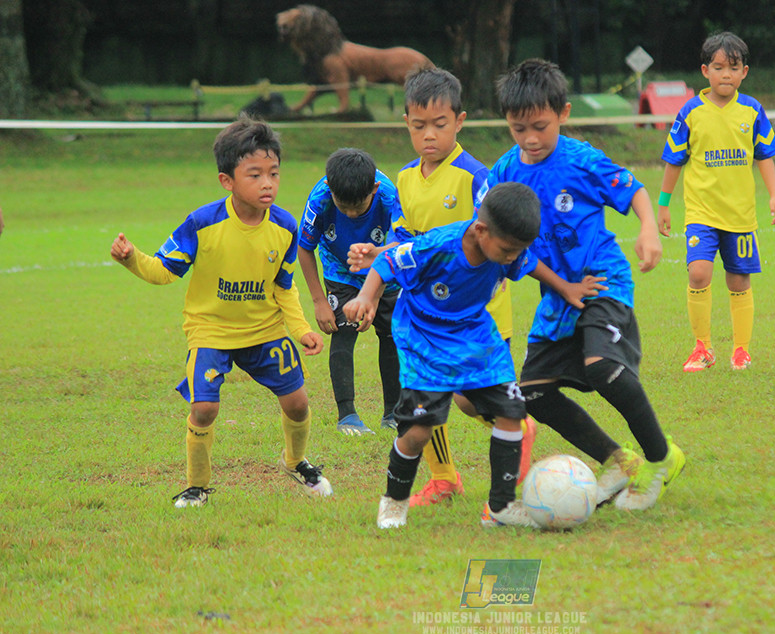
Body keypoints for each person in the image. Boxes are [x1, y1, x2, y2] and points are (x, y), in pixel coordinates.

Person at [342, 182, 603, 528]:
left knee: (511, 413)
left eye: (517, 251)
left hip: (475, 334)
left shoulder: (509, 247)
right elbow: (388, 260)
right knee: (419, 431)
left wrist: (566, 287)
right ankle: (394, 501)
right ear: (481, 231)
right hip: (425, 337)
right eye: (507, 250)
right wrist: (365, 297)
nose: (512, 258)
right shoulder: (438, 246)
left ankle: (499, 508)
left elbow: (531, 264)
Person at [490, 58, 685, 511]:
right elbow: (494, 235)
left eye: (540, 126)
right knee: (532, 391)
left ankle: (661, 458)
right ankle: (619, 462)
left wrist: (648, 229)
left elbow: (634, 190)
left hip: (601, 281)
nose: (530, 138)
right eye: (518, 129)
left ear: (564, 113)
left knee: (601, 366)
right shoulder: (503, 173)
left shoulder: (582, 160)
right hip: (558, 294)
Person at [109, 116, 332, 508]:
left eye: (274, 173)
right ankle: (196, 487)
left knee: (298, 402)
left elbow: (283, 286)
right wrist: (132, 259)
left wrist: (301, 330)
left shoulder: (285, 226)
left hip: (264, 330)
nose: (267, 183)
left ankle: (295, 461)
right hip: (210, 330)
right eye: (255, 175)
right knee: (204, 408)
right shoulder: (202, 223)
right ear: (227, 181)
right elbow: (164, 271)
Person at [347, 66, 534, 507]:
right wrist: (378, 255)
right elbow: (406, 239)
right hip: (426, 314)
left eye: (439, 124)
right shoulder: (405, 178)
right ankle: (444, 478)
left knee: (468, 400)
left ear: (459, 121)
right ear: (406, 124)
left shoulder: (476, 177)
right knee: (425, 397)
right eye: (419, 126)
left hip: (478, 314)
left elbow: (497, 239)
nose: (429, 135)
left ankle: (515, 428)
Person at [658, 31, 775, 372]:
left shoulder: (752, 110)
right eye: (718, 67)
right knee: (698, 272)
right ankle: (702, 348)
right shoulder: (691, 112)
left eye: (733, 68)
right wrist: (664, 204)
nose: (726, 74)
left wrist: (774, 194)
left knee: (738, 280)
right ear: (705, 71)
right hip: (701, 212)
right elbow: (674, 160)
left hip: (739, 213)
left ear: (744, 72)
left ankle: (741, 350)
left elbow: (765, 155)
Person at [297, 148, 401, 436]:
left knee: (391, 334)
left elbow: (400, 244)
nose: (352, 213)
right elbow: (304, 248)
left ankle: (393, 413)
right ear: (331, 190)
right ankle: (347, 415)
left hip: (384, 267)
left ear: (374, 189)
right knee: (343, 330)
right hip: (340, 269)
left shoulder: (389, 196)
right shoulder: (320, 197)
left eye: (358, 206)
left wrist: (374, 296)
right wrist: (319, 301)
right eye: (343, 207)